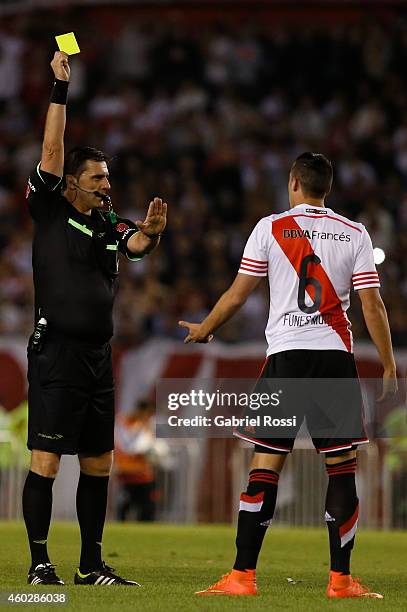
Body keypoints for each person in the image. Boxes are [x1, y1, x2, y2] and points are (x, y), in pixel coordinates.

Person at [179, 152, 397, 599]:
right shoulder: (355, 232)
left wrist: (206, 328)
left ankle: (242, 577)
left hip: (286, 360)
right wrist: (389, 362)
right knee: (341, 467)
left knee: (265, 463)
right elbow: (372, 305)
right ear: (327, 187)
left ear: (294, 182)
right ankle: (341, 581)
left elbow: (239, 294)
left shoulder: (270, 227)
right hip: (334, 360)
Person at [23, 51, 167, 586]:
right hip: (56, 351)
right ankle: (40, 564)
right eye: (98, 177)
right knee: (46, 461)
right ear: (72, 182)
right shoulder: (50, 208)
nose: (107, 184)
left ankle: (90, 565)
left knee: (99, 463)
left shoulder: (108, 221)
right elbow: (52, 149)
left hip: (97, 360)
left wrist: (151, 232)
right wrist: (60, 90)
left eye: (108, 177)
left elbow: (135, 247)